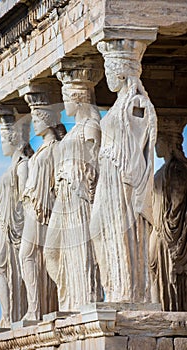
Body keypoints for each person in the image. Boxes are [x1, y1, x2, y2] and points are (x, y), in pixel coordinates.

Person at [90, 39, 157, 303]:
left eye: (109, 70)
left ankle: (126, 291)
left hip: (121, 177)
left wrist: (132, 181)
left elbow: (141, 143)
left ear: (120, 70)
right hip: (108, 175)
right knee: (98, 228)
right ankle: (115, 288)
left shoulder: (136, 103)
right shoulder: (120, 104)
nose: (107, 77)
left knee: (119, 229)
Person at [44, 85, 103, 311]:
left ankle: (83, 298)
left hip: (79, 194)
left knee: (79, 247)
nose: (64, 103)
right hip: (64, 194)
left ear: (77, 99)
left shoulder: (89, 126)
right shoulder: (74, 130)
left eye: (66, 98)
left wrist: (88, 187)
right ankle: (69, 295)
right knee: (52, 249)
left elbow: (97, 160)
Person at [19, 106, 66, 321]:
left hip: (45, 209)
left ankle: (37, 309)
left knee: (29, 254)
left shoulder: (56, 148)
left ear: (47, 121)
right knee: (33, 256)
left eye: (38, 118)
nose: (35, 123)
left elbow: (59, 179)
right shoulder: (41, 149)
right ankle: (38, 307)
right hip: (34, 207)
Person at [0, 114, 33, 328]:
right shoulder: (13, 166)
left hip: (13, 226)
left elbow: (26, 198)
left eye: (4, 140)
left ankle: (10, 316)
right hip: (2, 221)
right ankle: (7, 315)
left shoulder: (23, 166)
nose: (2, 145)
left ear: (14, 139)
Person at [150, 117, 187, 311]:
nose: (156, 145)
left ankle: (172, 310)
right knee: (155, 270)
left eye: (159, 141)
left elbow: (177, 204)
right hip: (159, 230)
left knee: (168, 275)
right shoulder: (162, 170)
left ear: (170, 144)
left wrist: (166, 227)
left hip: (169, 232)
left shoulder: (177, 169)